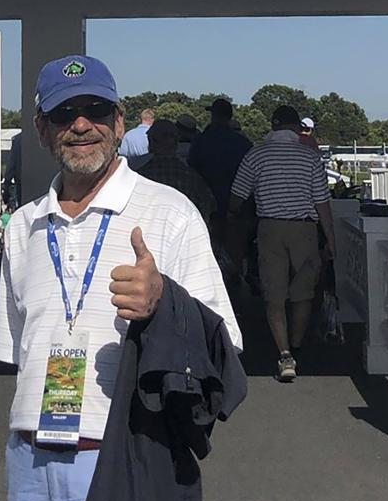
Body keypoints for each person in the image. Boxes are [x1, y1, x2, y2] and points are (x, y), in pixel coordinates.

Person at [0, 55, 241, 501]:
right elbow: (17, 346)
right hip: (32, 459)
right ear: (41, 129)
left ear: (120, 120)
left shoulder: (168, 212)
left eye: (94, 110)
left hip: (126, 455)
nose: (81, 125)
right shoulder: (25, 227)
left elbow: (226, 346)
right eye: (64, 113)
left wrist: (164, 305)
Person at [229, 105, 335, 382]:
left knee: (273, 293)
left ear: (273, 126)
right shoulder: (309, 157)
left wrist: (232, 215)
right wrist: (331, 240)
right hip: (304, 228)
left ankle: (284, 353)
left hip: (270, 227)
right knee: (303, 292)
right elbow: (322, 202)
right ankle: (298, 343)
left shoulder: (257, 154)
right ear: (297, 127)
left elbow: (238, 195)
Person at [187, 98, 253, 239]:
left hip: (207, 205)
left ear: (213, 116)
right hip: (237, 206)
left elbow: (191, 169)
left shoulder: (201, 140)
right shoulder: (243, 143)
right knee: (235, 253)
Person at [137, 119, 216, 223]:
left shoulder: (141, 176)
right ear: (176, 144)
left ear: (152, 142)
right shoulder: (191, 177)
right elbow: (209, 205)